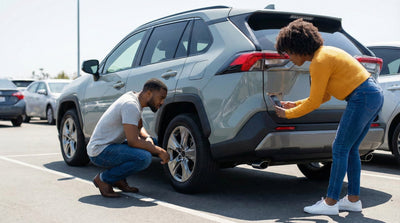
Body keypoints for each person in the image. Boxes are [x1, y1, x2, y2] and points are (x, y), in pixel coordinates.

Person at [274, 19, 383, 215]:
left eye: (288, 52)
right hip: (372, 95)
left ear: (297, 47)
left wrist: (288, 114)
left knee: (340, 148)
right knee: (349, 149)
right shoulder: (326, 53)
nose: (288, 57)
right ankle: (352, 200)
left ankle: (331, 202)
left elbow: (315, 102)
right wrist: (295, 104)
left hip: (362, 97)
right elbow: (322, 96)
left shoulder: (319, 61)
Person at [87, 78, 170, 198]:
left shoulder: (136, 100)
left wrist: (147, 138)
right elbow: (133, 141)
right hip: (99, 151)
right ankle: (103, 179)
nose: (162, 102)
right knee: (144, 157)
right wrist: (159, 151)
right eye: (161, 98)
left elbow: (138, 126)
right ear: (149, 93)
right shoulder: (130, 105)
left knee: (153, 143)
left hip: (111, 145)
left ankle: (118, 179)